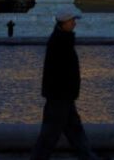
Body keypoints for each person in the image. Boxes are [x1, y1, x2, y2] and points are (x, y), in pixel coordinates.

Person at [30, 9, 101, 160]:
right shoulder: (60, 41)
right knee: (50, 135)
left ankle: (89, 157)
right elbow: (60, 71)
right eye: (72, 20)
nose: (75, 23)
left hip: (64, 96)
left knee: (75, 131)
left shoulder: (63, 39)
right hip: (60, 96)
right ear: (64, 22)